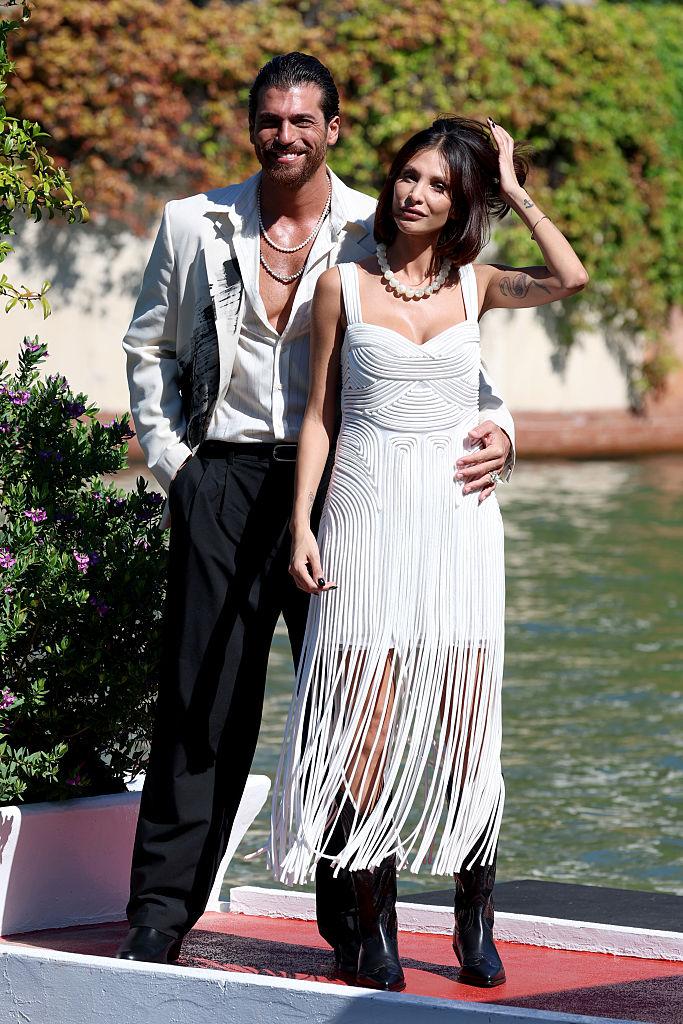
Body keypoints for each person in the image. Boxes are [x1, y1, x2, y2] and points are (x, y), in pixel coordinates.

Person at [117, 54, 517, 967]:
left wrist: (501, 428)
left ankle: (356, 927)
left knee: (348, 705)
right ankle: (160, 914)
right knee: (201, 703)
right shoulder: (192, 222)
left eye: (303, 120)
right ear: (251, 126)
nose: (285, 135)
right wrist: (178, 468)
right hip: (220, 481)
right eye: (270, 119)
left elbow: (447, 356)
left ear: (333, 129)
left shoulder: (377, 225)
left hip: (345, 493)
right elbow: (148, 347)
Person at [273, 115, 588, 991]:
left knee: (463, 724)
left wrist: (514, 188)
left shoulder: (475, 285)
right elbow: (319, 416)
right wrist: (302, 524)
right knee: (364, 727)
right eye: (409, 176)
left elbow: (570, 277)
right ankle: (373, 927)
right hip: (364, 516)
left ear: (461, 203)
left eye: (440, 185)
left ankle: (471, 919)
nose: (416, 193)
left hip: (457, 520)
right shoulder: (339, 285)